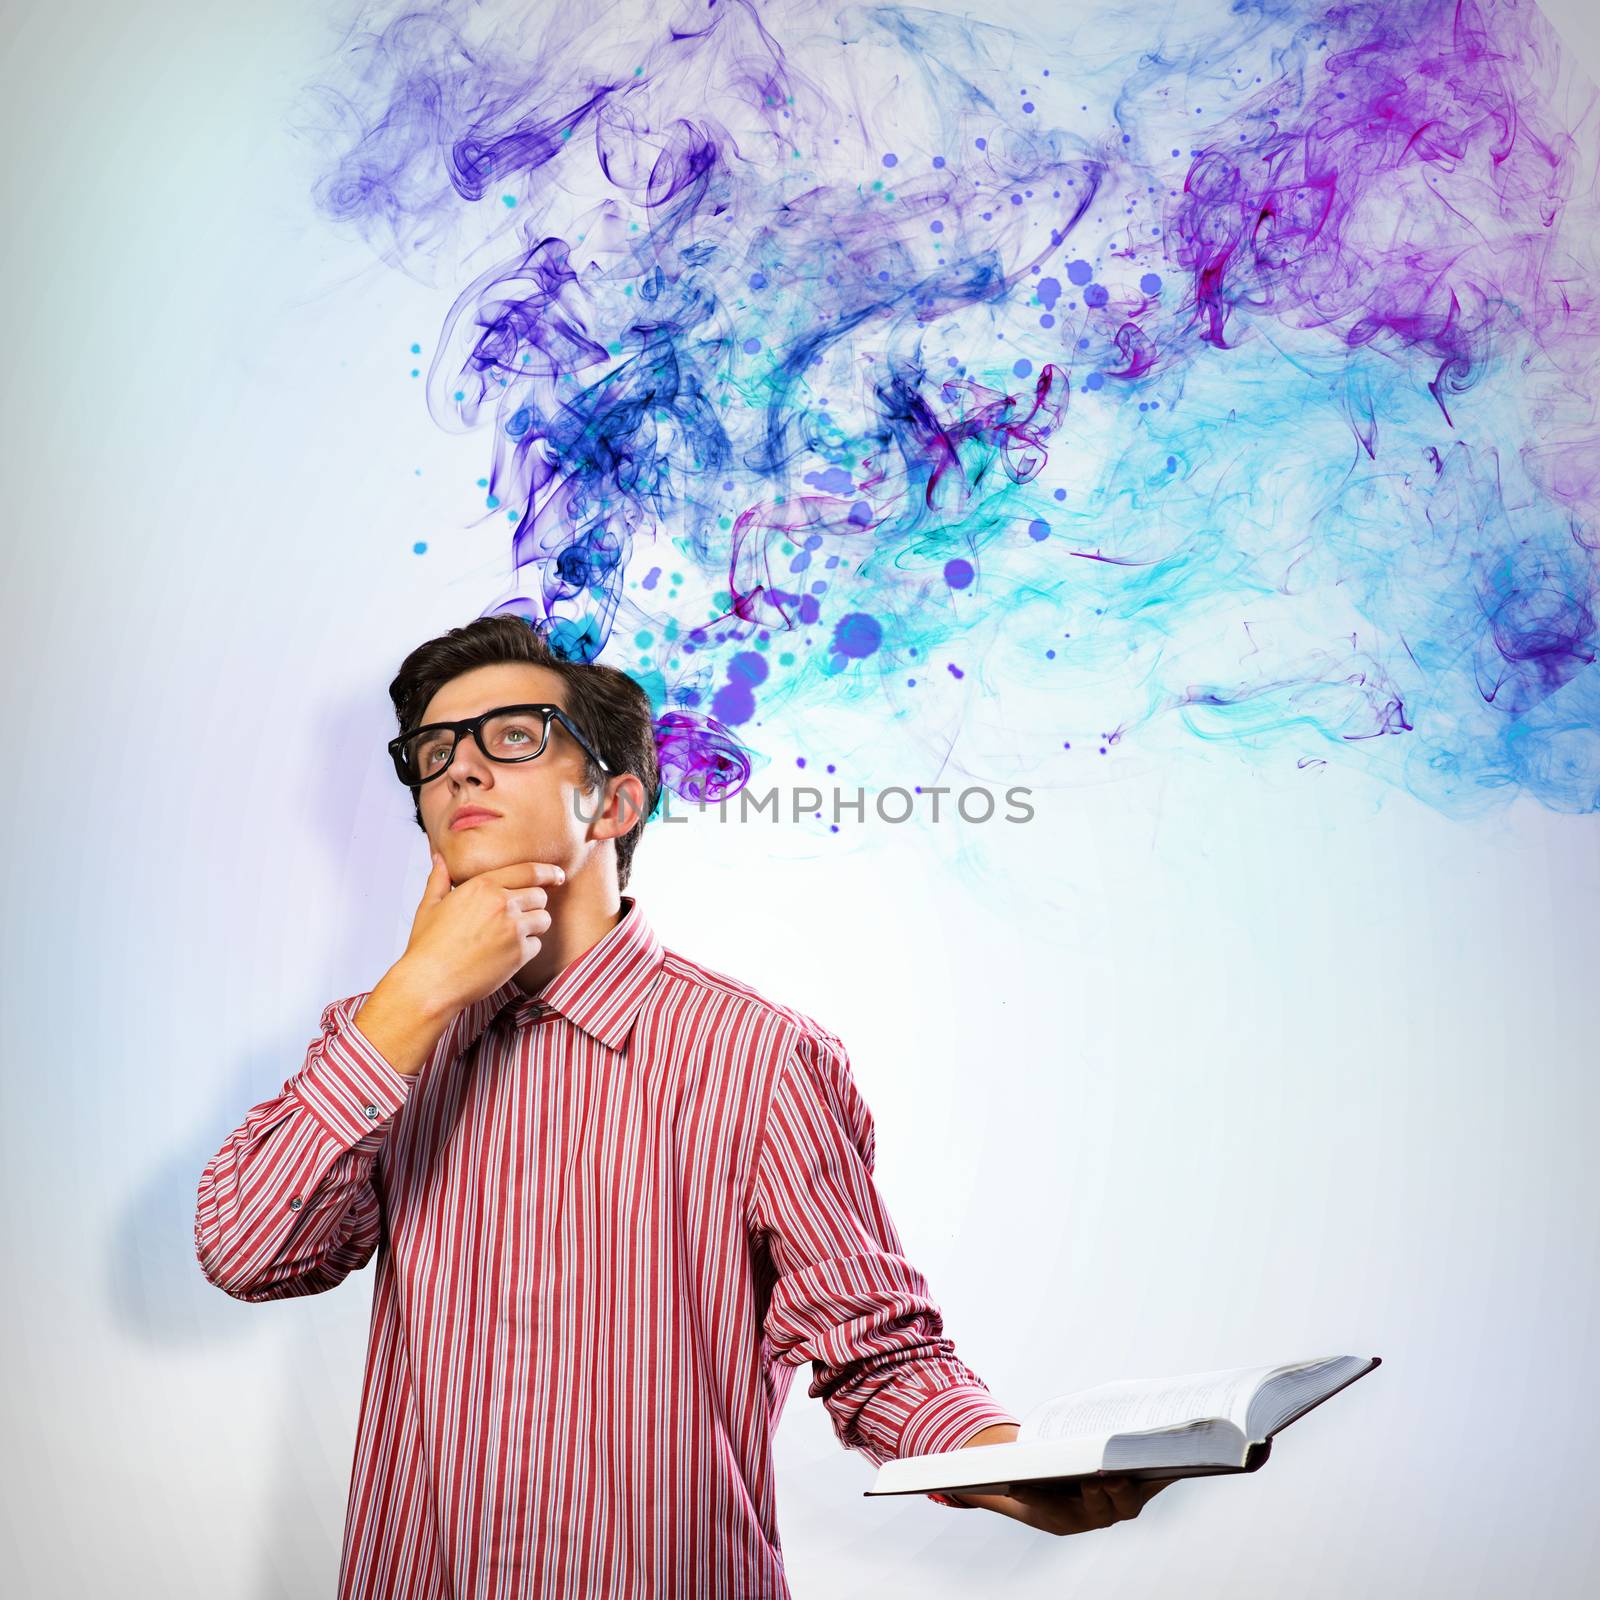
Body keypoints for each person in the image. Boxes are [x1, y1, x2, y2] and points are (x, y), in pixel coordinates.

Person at [194, 615, 1175, 1598]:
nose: (461, 769)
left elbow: (872, 1347)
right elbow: (247, 1250)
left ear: (615, 801)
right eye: (436, 749)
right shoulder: (381, 1039)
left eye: (513, 735)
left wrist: (1001, 1458)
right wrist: (408, 1001)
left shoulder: (757, 1054)